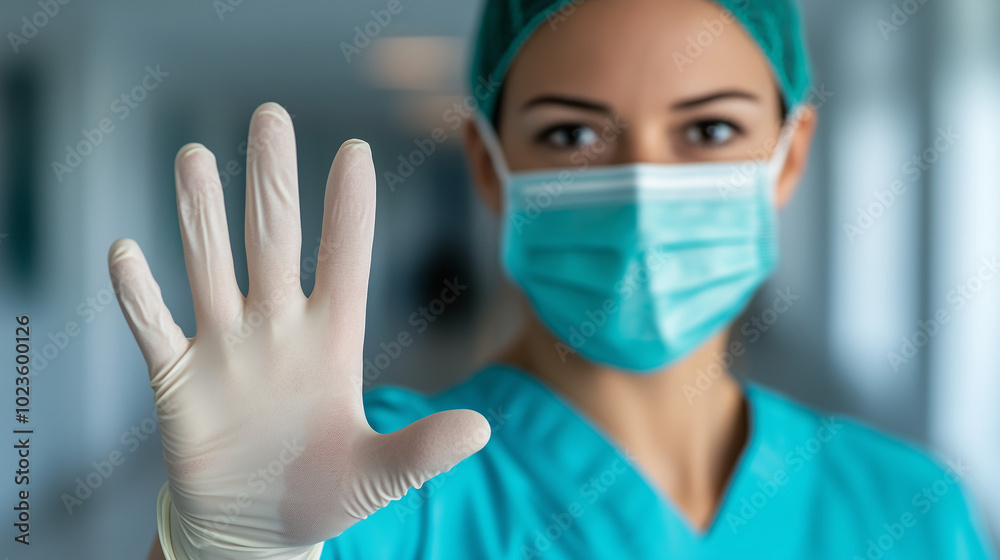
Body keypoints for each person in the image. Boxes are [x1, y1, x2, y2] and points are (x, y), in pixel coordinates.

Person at [112, 0, 996, 558]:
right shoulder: (371, 480)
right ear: (492, 168)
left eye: (711, 132)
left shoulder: (909, 508)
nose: (645, 187)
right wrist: (226, 550)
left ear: (790, 154)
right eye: (574, 136)